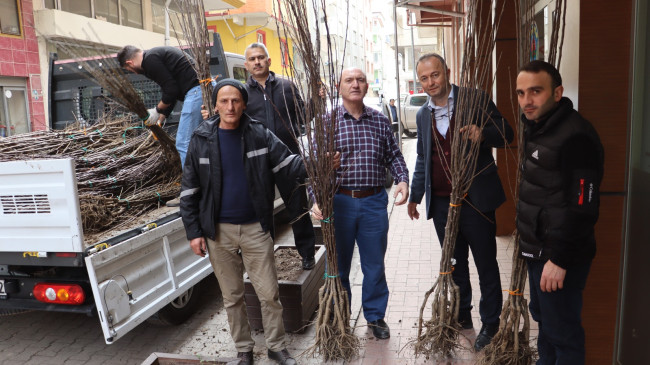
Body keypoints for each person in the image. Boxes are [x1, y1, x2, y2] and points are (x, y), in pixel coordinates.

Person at [179, 79, 303, 365]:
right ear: (215, 105)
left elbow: (287, 164)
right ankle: (244, 349)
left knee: (269, 294)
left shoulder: (259, 133)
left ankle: (276, 346)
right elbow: (189, 189)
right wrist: (194, 232)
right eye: (224, 101)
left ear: (244, 103)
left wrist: (315, 161)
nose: (230, 106)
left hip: (255, 229)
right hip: (218, 232)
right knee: (232, 296)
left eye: (235, 100)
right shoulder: (201, 138)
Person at [406, 53, 514, 351]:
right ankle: (463, 315)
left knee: (486, 263)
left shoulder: (474, 99)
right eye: (424, 78)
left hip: (475, 200)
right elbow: (423, 158)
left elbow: (508, 133)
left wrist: (483, 134)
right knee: (454, 263)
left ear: (448, 72)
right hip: (442, 203)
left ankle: (491, 322)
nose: (430, 82)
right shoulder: (422, 114)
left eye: (435, 75)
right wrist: (416, 196)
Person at [516, 60, 603, 364]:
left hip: (557, 256)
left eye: (535, 91)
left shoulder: (575, 136)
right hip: (540, 252)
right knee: (548, 326)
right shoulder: (539, 128)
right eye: (521, 93)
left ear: (557, 93)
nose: (527, 100)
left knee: (563, 334)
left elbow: (583, 208)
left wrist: (560, 259)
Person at [312, 68, 409, 340]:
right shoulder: (326, 123)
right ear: (338, 86)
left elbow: (395, 156)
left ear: (367, 86)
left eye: (360, 80)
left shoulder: (379, 121)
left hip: (373, 202)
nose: (355, 84)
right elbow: (311, 167)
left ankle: (375, 316)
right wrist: (315, 197)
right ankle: (340, 315)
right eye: (349, 80)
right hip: (339, 203)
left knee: (374, 265)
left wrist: (403, 179)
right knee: (338, 265)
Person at [242, 42, 317, 271]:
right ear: (246, 65)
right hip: (258, 161)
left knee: (298, 208)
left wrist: (316, 100)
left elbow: (305, 117)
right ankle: (266, 259)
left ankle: (306, 254)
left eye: (261, 57)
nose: (257, 62)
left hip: (289, 160)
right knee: (262, 212)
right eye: (253, 59)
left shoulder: (287, 86)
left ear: (268, 60)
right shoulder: (242, 93)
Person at [118, 45, 203, 207]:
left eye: (129, 70)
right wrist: (161, 118)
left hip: (195, 92)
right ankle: (202, 186)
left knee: (184, 143)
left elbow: (171, 90)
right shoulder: (154, 57)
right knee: (199, 143)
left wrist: (156, 110)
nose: (133, 73)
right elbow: (170, 90)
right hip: (198, 90)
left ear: (129, 63)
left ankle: (191, 192)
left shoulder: (150, 61)